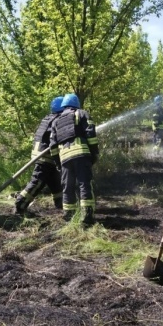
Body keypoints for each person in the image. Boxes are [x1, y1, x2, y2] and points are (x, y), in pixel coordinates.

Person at [50, 93, 99, 226]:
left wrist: (58, 163)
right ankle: (87, 217)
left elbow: (52, 146)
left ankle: (68, 216)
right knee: (84, 184)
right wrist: (94, 153)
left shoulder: (56, 121)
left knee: (67, 187)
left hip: (64, 157)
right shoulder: (81, 113)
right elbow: (91, 134)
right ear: (76, 104)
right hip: (81, 154)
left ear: (64, 105)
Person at [14, 96, 65, 216]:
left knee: (56, 182)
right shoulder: (57, 120)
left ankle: (61, 203)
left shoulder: (48, 118)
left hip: (45, 156)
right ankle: (20, 203)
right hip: (45, 157)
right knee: (37, 182)